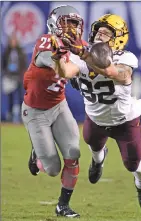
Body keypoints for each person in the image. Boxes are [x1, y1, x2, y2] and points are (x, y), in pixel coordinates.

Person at [51, 14, 141, 213]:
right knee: (92, 142)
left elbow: (112, 72)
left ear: (118, 39)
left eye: (106, 33)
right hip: (96, 117)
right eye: (99, 31)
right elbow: (64, 72)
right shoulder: (80, 55)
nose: (100, 35)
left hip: (124, 120)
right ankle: (99, 160)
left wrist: (84, 55)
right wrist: (57, 57)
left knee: (133, 164)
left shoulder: (126, 58)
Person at [21, 5, 85, 218]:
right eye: (66, 23)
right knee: (52, 168)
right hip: (36, 112)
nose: (71, 28)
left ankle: (62, 206)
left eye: (75, 24)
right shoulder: (46, 42)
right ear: (54, 24)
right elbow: (57, 66)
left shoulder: (78, 46)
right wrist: (71, 66)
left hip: (59, 106)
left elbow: (95, 60)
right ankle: (37, 152)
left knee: (73, 152)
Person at [2, 33, 27, 123]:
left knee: (20, 96)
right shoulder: (7, 52)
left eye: (14, 41)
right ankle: (9, 115)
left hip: (18, 77)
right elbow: (3, 64)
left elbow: (24, 64)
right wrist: (5, 73)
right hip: (9, 76)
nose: (13, 42)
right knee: (10, 97)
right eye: (11, 41)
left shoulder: (21, 52)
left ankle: (21, 115)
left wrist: (22, 73)